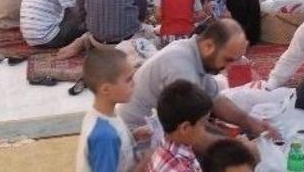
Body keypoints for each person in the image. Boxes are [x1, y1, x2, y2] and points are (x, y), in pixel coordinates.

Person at [118, 19, 279, 138]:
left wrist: (250, 123)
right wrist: (233, 144)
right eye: (228, 60)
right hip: (138, 138)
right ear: (209, 46)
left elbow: (216, 100)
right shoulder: (180, 66)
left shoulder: (194, 53)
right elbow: (191, 132)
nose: (229, 68)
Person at [76, 49, 150, 172]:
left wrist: (133, 135)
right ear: (106, 89)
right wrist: (144, 165)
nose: (134, 83)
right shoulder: (105, 136)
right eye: (128, 79)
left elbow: (115, 151)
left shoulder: (101, 115)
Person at [140, 80, 212, 172]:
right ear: (185, 128)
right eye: (203, 124)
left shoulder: (167, 146)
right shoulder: (179, 171)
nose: (204, 130)